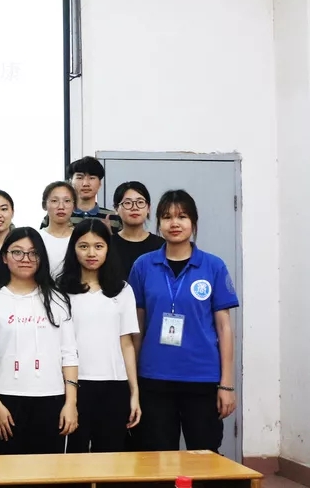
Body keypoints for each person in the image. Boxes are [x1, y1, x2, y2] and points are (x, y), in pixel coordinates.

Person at [129, 190, 238, 453]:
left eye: (182, 216)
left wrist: (226, 384)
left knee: (205, 457)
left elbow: (224, 328)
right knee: (157, 457)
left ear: (194, 223)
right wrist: (133, 384)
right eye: (167, 217)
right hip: (154, 378)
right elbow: (136, 329)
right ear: (158, 222)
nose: (174, 223)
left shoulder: (213, 266)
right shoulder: (143, 266)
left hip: (201, 378)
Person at [0, 227, 78, 455]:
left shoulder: (57, 299)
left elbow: (69, 354)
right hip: (5, 400)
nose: (26, 259)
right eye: (17, 252)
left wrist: (70, 403)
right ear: (5, 257)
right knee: (5, 470)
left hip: (52, 398)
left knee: (48, 471)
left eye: (33, 253)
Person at [57, 219, 141, 453]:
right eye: (83, 246)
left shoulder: (123, 290)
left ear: (108, 249)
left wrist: (134, 392)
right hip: (73, 385)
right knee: (74, 458)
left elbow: (126, 344)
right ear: (73, 249)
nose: (91, 253)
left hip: (114, 385)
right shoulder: (60, 291)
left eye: (98, 246)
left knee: (111, 457)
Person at [43, 157, 122, 231]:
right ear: (71, 182)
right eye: (80, 178)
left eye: (92, 178)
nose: (85, 184)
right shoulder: (57, 215)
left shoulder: (113, 218)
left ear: (100, 183)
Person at [112, 181, 165, 278]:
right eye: (128, 203)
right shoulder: (108, 244)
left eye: (140, 202)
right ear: (116, 209)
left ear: (148, 208)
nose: (134, 208)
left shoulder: (161, 246)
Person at [39, 182, 77, 278]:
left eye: (67, 201)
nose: (61, 207)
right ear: (44, 205)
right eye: (54, 201)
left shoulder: (80, 238)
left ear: (74, 206)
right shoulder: (37, 238)